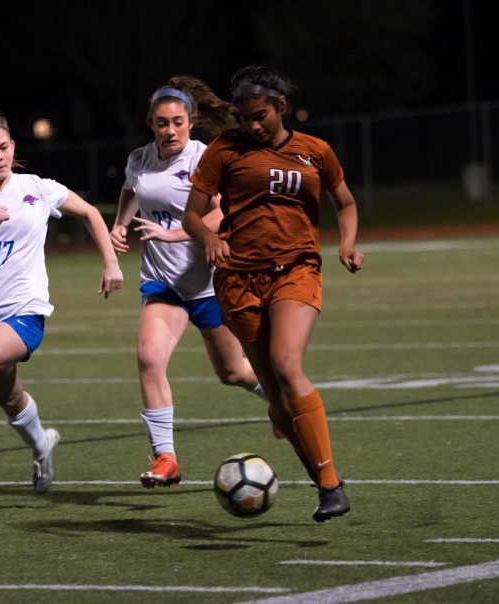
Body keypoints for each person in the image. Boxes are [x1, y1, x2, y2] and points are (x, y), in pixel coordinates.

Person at [182, 65, 365, 522]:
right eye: (246, 118)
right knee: (279, 402)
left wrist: (346, 242)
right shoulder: (224, 150)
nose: (253, 125)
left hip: (296, 270)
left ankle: (330, 486)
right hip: (238, 280)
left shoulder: (315, 151)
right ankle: (288, 421)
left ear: (280, 107)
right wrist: (208, 237)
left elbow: (344, 201)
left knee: (286, 365)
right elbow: (192, 214)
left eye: (260, 115)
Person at [0, 111, 122, 496]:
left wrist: (111, 261)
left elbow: (90, 212)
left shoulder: (36, 187)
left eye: (3, 148)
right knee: (7, 396)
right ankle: (42, 445)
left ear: (13, 148)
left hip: (25, 311)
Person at [110, 76, 266, 489]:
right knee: (148, 358)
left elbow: (221, 216)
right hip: (164, 285)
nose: (171, 130)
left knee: (233, 372)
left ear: (191, 121)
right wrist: (119, 226)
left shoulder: (204, 159)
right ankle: (166, 459)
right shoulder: (140, 159)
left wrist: (176, 233)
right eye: (162, 123)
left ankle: (285, 405)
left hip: (210, 284)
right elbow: (131, 190)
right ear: (152, 124)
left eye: (178, 122)